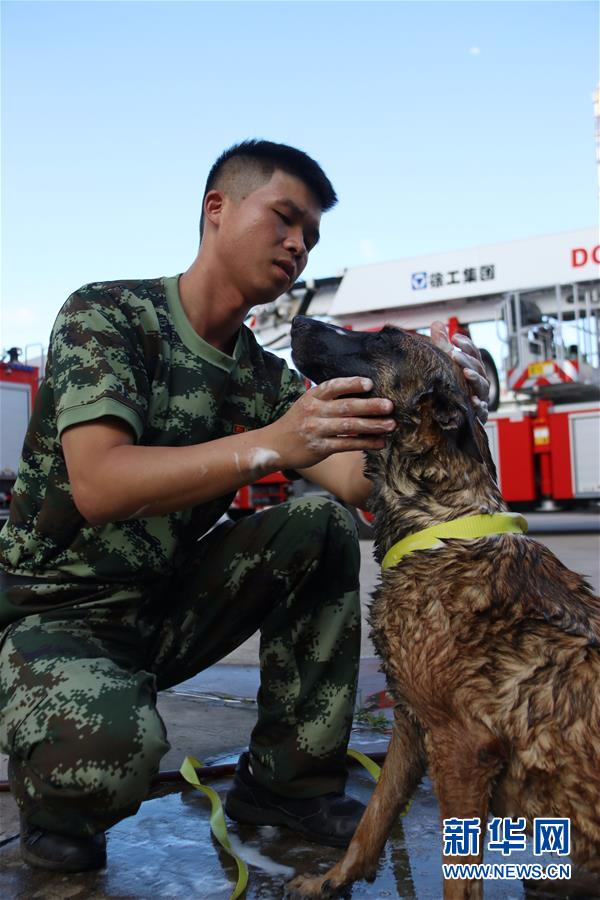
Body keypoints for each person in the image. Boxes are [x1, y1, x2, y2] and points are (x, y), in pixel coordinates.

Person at [0, 139, 490, 872]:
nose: (298, 245)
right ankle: (49, 744)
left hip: (166, 606)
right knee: (97, 771)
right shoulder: (108, 317)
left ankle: (289, 782)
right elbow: (99, 484)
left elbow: (356, 485)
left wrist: (435, 401)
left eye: (312, 237)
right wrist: (271, 444)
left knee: (319, 526)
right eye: (286, 218)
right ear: (217, 209)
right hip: (59, 612)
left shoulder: (261, 375)